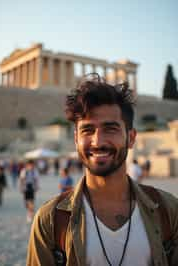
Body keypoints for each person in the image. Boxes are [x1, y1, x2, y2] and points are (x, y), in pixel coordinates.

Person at [27, 74, 178, 265]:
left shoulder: (169, 212)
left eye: (110, 128)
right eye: (88, 130)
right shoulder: (50, 221)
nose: (97, 142)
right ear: (76, 139)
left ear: (131, 137)